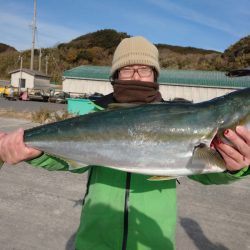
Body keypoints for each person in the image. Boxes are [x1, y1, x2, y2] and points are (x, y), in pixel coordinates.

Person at [0, 36, 250, 250]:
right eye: (128, 69)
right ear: (115, 75)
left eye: (144, 69)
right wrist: (31, 152)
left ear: (155, 76)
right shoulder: (96, 117)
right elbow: (70, 161)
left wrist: (235, 167)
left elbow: (207, 174)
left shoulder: (182, 115)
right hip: (94, 242)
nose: (136, 76)